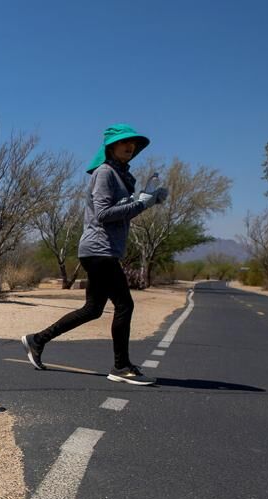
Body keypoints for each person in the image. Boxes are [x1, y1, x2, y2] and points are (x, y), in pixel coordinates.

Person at [21, 124, 168, 385]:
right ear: (110, 147)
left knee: (92, 309)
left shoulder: (120, 175)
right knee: (125, 305)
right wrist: (141, 203)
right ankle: (121, 367)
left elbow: (119, 208)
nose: (130, 146)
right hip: (99, 249)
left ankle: (37, 340)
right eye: (124, 142)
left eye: (133, 143)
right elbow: (103, 214)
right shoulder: (105, 173)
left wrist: (150, 200)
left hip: (103, 250)